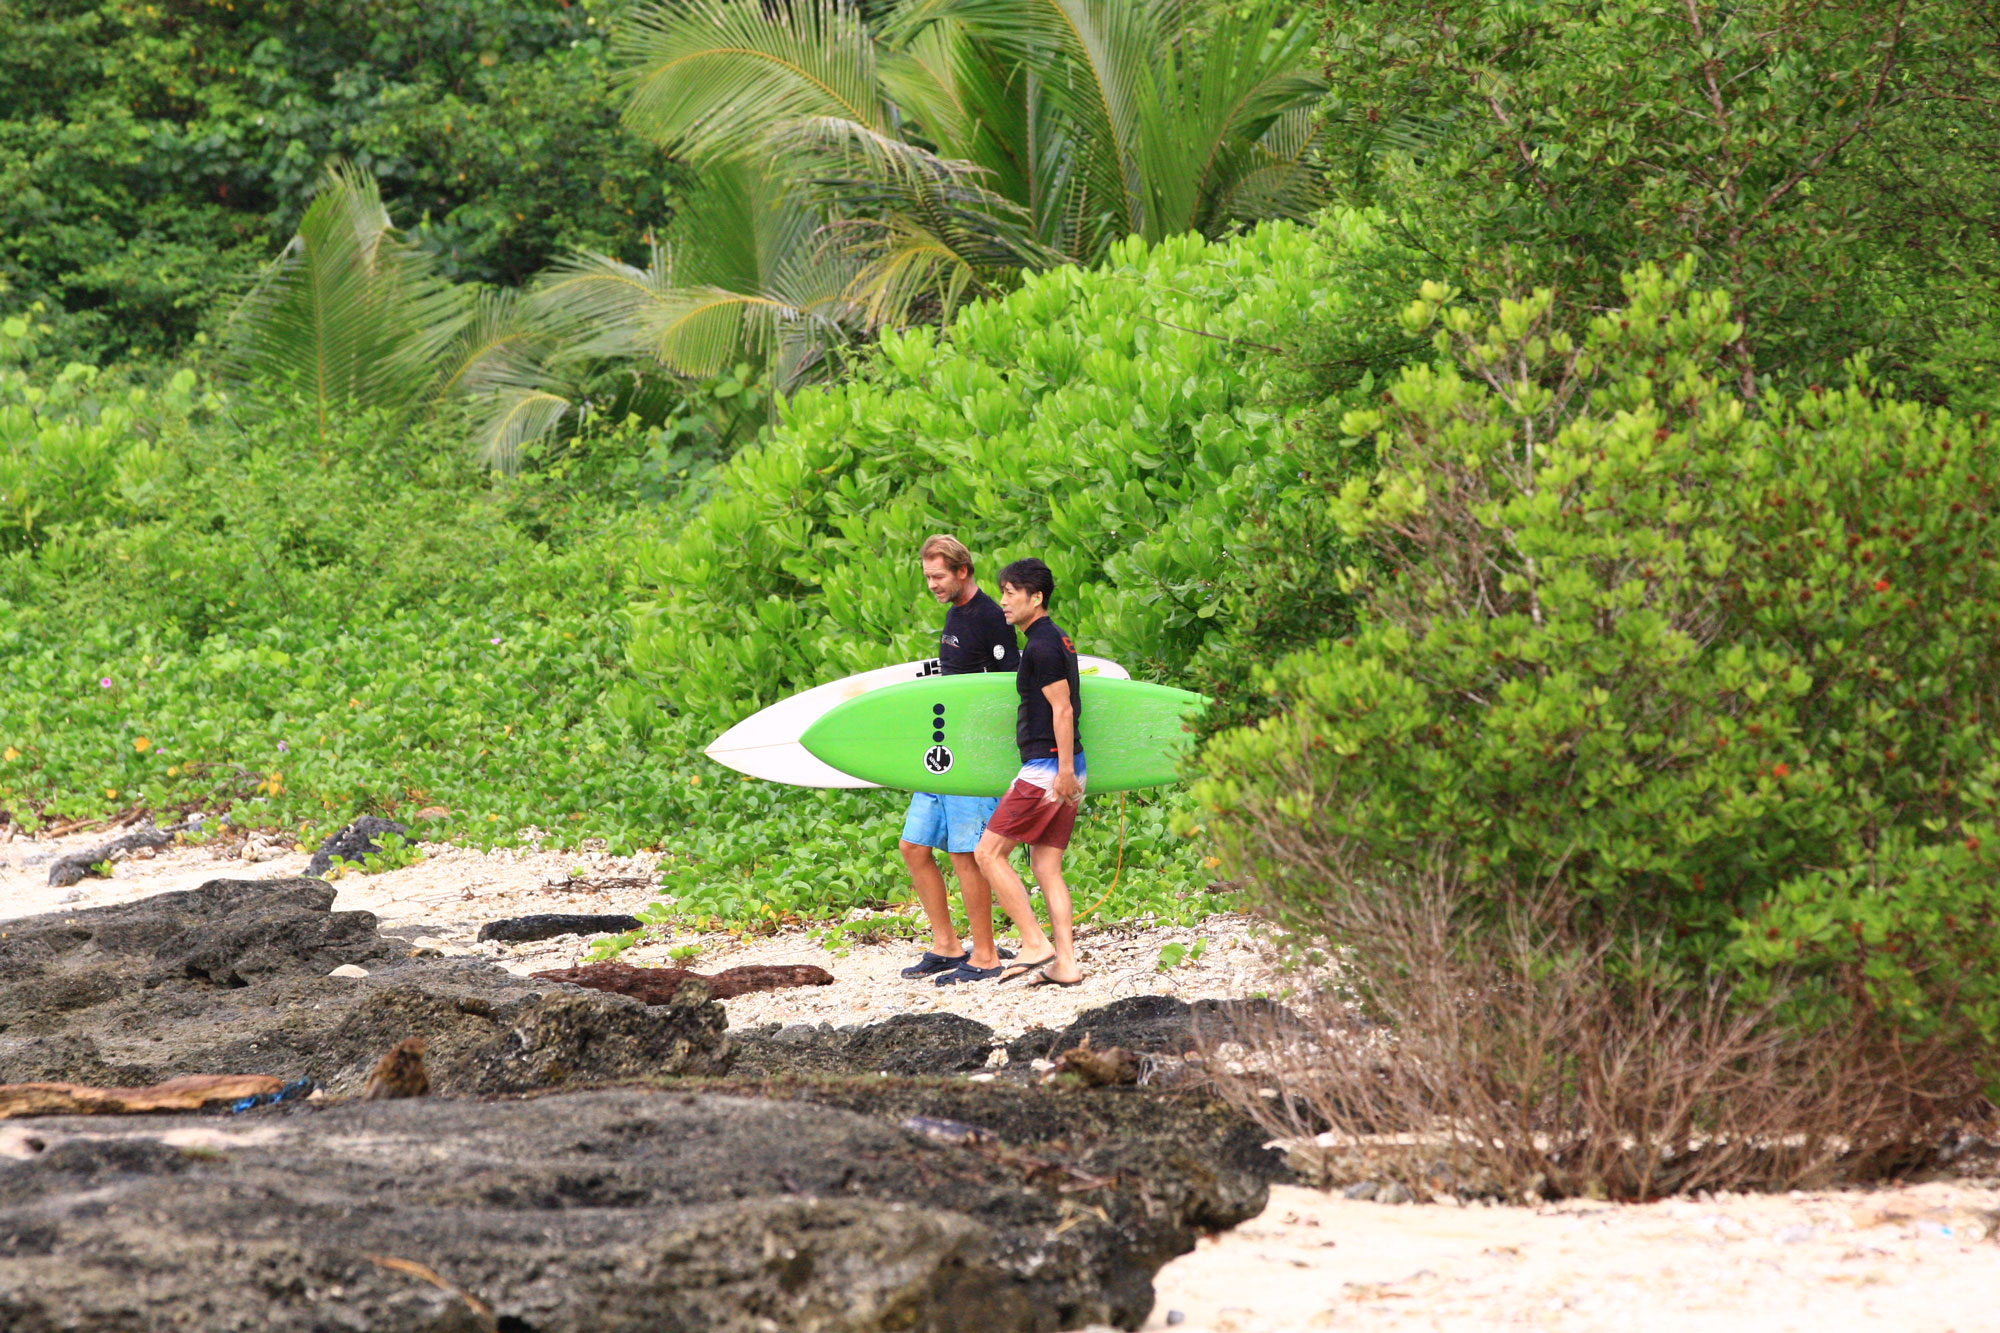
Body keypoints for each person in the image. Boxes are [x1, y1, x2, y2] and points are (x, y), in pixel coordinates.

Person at [897, 535, 1020, 985]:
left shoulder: (990, 617)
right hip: (943, 751)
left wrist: (993, 752)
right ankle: (948, 945)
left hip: (971, 754)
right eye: (928, 576)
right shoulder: (954, 614)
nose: (931, 584)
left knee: (966, 854)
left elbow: (1009, 688)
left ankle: (986, 954)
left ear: (962, 571)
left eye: (938, 576)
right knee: (913, 847)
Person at [977, 557, 1086, 988]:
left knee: (988, 853)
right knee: (1046, 866)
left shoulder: (1041, 645)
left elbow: (1063, 708)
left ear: (1035, 598)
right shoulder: (1056, 638)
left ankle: (1034, 942)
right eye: (1002, 591)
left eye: (1009, 592)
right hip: (1066, 765)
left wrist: (1060, 771)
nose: (1003, 601)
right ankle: (1067, 963)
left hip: (1047, 768)